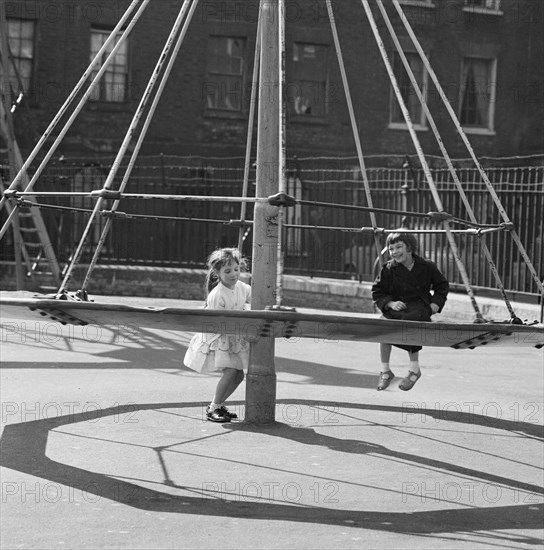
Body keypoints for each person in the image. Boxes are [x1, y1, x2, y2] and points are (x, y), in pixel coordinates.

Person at [371, 231, 449, 391]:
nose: (395, 252)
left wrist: (436, 303)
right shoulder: (388, 269)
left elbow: (442, 286)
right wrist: (390, 303)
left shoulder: (427, 266)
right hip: (397, 306)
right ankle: (385, 370)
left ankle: (414, 369)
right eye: (391, 249)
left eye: (399, 247)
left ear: (410, 248)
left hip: (419, 306)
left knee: (411, 324)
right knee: (383, 325)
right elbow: (377, 291)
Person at [183, 247, 251, 422]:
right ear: (217, 273)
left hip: (233, 336)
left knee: (239, 374)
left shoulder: (242, 287)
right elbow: (215, 323)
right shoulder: (217, 295)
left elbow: (254, 299)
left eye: (236, 269)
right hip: (219, 338)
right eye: (227, 271)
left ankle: (218, 405)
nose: (233, 274)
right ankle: (214, 407)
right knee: (230, 372)